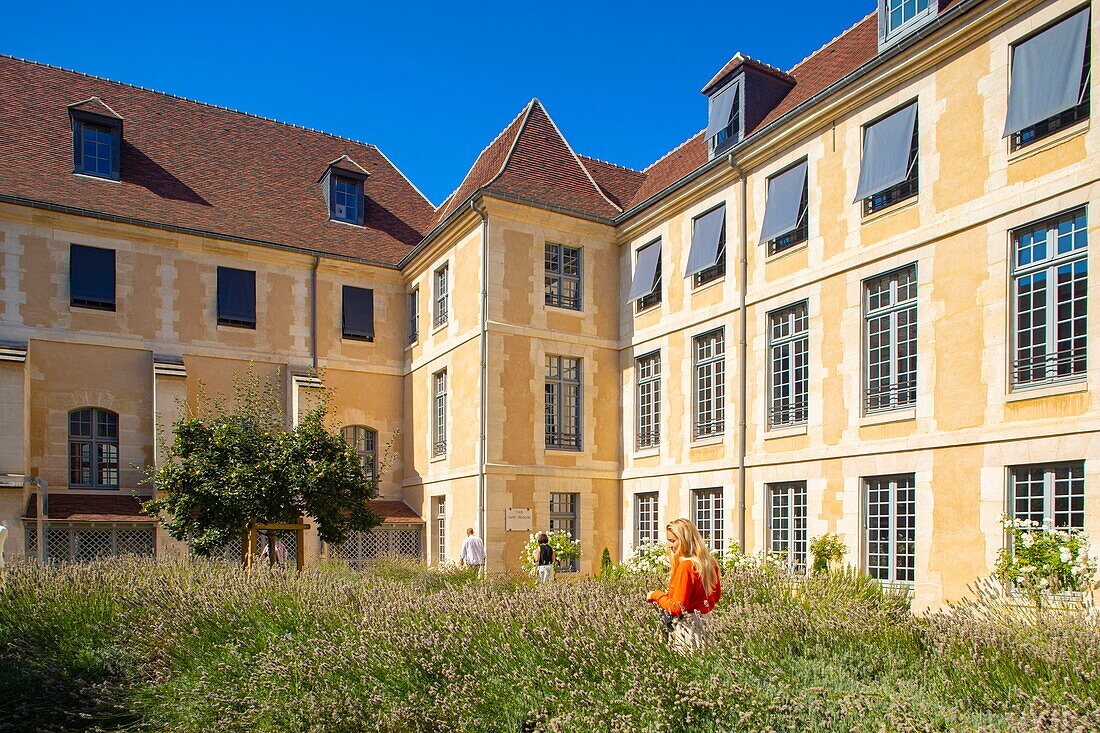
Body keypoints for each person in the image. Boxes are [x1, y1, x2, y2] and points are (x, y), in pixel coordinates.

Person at [646, 518, 721, 651]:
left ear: (685, 541)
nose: (669, 545)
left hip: (688, 629)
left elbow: (677, 607)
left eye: (672, 541)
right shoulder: (710, 564)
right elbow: (715, 598)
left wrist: (656, 595)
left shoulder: (686, 567)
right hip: (707, 625)